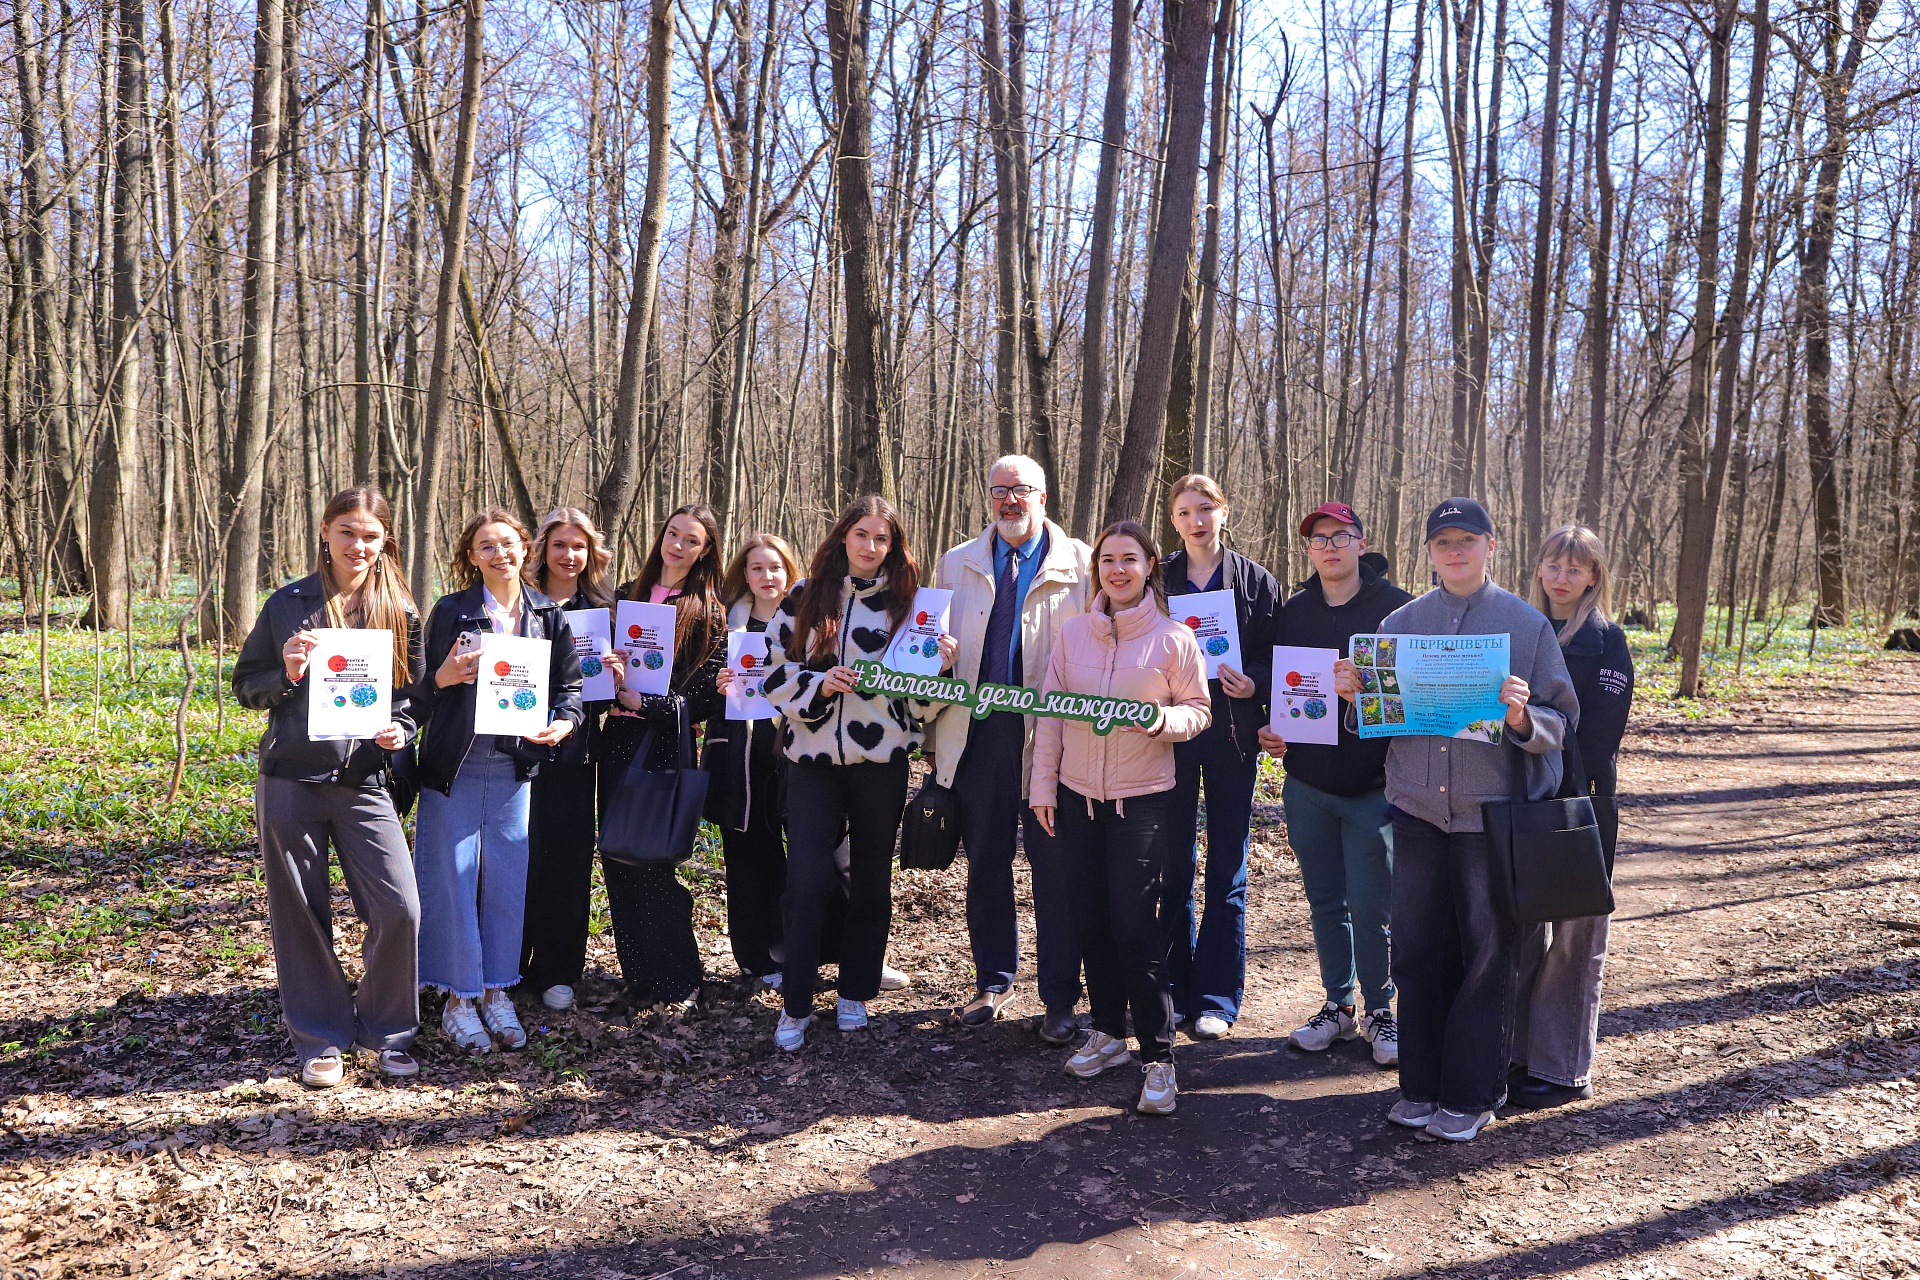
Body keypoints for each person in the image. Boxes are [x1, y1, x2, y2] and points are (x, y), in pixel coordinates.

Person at [1357, 497, 1579, 1142]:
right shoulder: (1399, 623)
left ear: (1491, 546)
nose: (1455, 551)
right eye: (1443, 542)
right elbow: (1374, 728)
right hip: (1419, 809)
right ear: (1429, 553)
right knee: (1419, 949)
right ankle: (1421, 1087)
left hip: (1490, 815)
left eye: (1468, 540)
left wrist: (1520, 718)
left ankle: (1475, 1093)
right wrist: (1357, 696)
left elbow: (1560, 723)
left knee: (1487, 953)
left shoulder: (1525, 624)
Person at [234, 487, 426, 1088]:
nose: (359, 545)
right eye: (348, 531)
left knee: (400, 907)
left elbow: (415, 695)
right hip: (291, 776)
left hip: (363, 778)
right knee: (300, 911)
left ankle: (387, 1031)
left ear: (384, 540)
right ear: (325, 531)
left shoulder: (400, 608)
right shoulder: (289, 603)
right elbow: (248, 685)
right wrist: (287, 673)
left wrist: (403, 728)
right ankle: (319, 1037)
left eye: (370, 535)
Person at [1030, 521, 1212, 1115]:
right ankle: (1107, 1031)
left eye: (1129, 559)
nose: (1117, 569)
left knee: (1135, 928)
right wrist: (1043, 788)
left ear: (1150, 566)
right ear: (1097, 569)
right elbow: (1050, 715)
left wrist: (1162, 722)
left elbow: (1198, 711)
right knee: (1089, 920)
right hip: (1078, 797)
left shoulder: (1174, 639)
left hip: (1143, 800)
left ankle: (1159, 1059)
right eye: (1107, 560)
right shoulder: (1073, 634)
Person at [924, 455, 1092, 1043]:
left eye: (1021, 490)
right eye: (999, 491)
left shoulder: (1083, 566)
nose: (1009, 501)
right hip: (978, 731)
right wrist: (934, 657)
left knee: (1055, 871)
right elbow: (930, 645)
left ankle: (1059, 998)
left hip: (1052, 736)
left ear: (1044, 497)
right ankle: (993, 980)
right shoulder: (957, 563)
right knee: (987, 865)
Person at [761, 496, 930, 1051]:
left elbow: (923, 702)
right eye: (862, 535)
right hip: (811, 761)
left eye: (882, 539)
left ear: (893, 547)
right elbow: (772, 675)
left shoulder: (907, 607)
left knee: (871, 878)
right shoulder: (804, 597)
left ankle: (855, 991)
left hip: (880, 761)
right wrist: (817, 687)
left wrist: (938, 668)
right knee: (806, 878)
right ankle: (797, 1002)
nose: (870, 547)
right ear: (842, 538)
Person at [414, 510, 583, 1054]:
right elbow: (422, 689)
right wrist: (447, 676)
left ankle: (497, 990)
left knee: (508, 882)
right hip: (455, 765)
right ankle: (458, 1000)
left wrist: (565, 720)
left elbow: (571, 688)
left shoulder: (547, 615)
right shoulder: (451, 611)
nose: (498, 553)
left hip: (515, 766)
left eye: (507, 543)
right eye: (485, 546)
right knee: (454, 880)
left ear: (525, 548)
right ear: (471, 557)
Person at [1256, 502, 1412, 1066]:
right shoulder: (1293, 612)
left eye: (1341, 536)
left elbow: (1409, 705)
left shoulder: (1396, 610)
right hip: (1307, 784)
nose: (1330, 546)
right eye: (1319, 538)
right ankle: (1338, 1007)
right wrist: (1272, 732)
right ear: (1308, 550)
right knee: (1325, 900)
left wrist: (1362, 695)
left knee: (1373, 907)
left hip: (1374, 787)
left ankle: (1382, 1012)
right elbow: (1282, 689)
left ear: (1361, 542)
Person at [1511, 524, 1634, 1108]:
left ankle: (1562, 1067)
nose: (1561, 579)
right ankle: (1515, 1053)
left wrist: (1543, 750)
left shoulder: (1607, 643)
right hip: (1517, 799)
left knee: (1575, 938)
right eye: (1553, 567)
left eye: (1574, 570)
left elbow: (1600, 734)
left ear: (1593, 577)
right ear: (1539, 569)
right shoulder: (1518, 627)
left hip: (1581, 803)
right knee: (1521, 930)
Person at [1161, 475, 1281, 1040]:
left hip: (1235, 737)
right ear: (1174, 521)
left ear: (1223, 513)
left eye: (1205, 509)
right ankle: (1176, 992)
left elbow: (1275, 659)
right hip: (1174, 737)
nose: (1196, 520)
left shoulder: (1256, 582)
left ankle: (1216, 999)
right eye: (1185, 512)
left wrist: (1252, 684)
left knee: (1227, 865)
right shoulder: (1160, 580)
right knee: (1173, 863)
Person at [599, 504, 728, 1014]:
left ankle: (678, 977)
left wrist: (646, 704)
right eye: (672, 533)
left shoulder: (710, 611)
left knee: (656, 860)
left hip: (668, 744)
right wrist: (604, 676)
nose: (677, 545)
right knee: (616, 854)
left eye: (691, 540)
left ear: (705, 551)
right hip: (617, 743)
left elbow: (704, 697)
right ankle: (638, 977)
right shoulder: (626, 593)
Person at [518, 508, 623, 1013]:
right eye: (559, 545)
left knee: (567, 861)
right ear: (542, 551)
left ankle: (559, 970)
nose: (569, 555)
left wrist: (614, 676)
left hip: (577, 754)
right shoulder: (517, 605)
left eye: (578, 546)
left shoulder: (602, 610)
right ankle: (511, 963)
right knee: (516, 859)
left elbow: (603, 699)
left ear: (592, 553)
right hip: (515, 751)